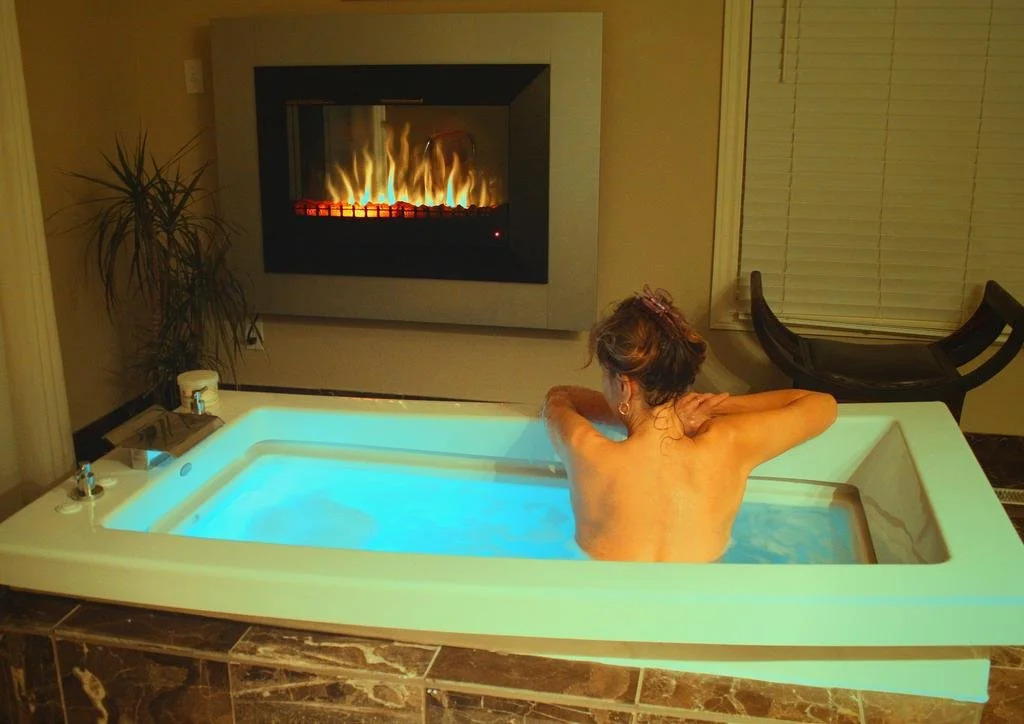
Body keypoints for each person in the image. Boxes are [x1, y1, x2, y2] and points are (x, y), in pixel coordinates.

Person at [542, 286, 837, 562]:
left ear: (623, 386)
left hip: (608, 596)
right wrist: (714, 407)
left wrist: (632, 415)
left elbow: (559, 397)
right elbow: (822, 404)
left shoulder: (586, 450)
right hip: (702, 597)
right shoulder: (728, 445)